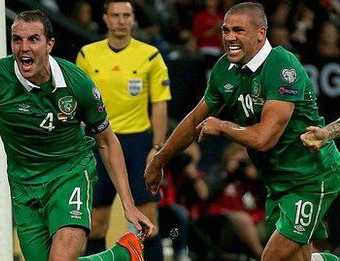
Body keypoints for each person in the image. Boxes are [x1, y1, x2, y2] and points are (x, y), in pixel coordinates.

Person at [144, 2, 340, 261]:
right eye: (225, 30)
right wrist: (159, 160)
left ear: (261, 33)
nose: (229, 37)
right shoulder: (225, 69)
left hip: (312, 177)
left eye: (238, 30)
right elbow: (193, 121)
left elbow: (263, 139)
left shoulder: (282, 67)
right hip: (277, 183)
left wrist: (223, 126)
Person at [0, 10, 155, 261]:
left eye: (33, 39)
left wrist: (128, 204)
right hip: (24, 185)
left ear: (50, 44)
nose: (23, 48)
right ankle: (122, 256)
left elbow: (106, 141)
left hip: (69, 174)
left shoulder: (76, 83)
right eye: (17, 39)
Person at [76, 1, 171, 260]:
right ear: (105, 18)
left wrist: (157, 148)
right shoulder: (87, 54)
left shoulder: (150, 55)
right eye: (115, 15)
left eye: (126, 15)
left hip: (138, 145)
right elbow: (78, 103)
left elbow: (159, 103)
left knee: (148, 223)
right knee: (96, 224)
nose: (120, 20)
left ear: (133, 19)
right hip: (99, 142)